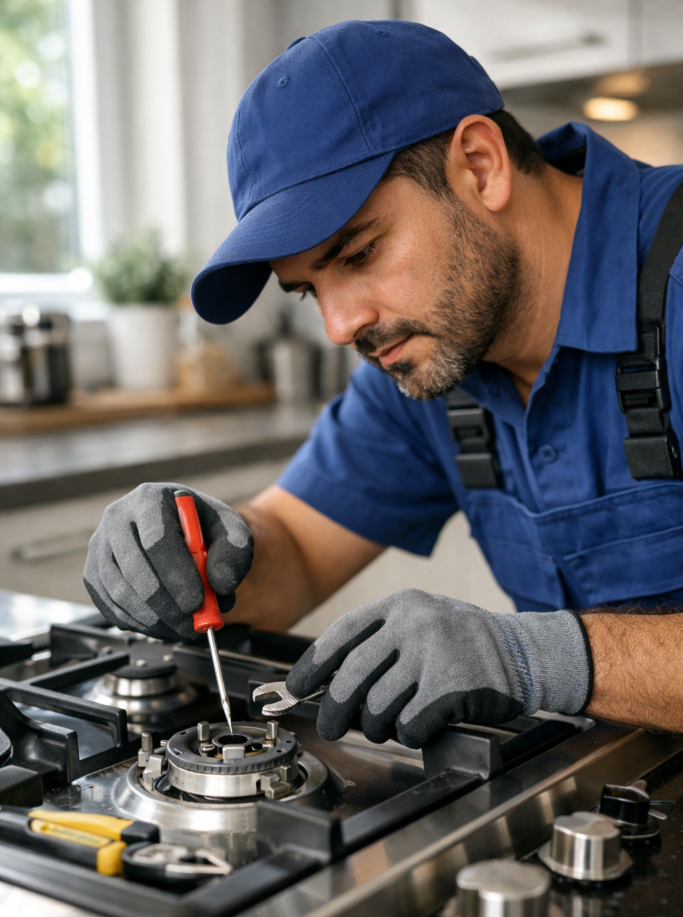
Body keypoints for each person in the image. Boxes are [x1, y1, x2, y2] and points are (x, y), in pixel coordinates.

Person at [85, 20, 683, 749]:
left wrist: (540, 657)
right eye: (308, 291)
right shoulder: (429, 349)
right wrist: (204, 553)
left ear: (480, 165)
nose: (341, 325)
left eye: (360, 252)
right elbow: (297, 549)